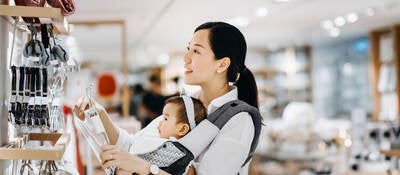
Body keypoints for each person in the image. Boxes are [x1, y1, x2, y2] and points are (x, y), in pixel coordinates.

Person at [74, 21, 261, 175]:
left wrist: (144, 168)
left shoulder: (239, 121)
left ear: (222, 64)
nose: (185, 58)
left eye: (196, 51)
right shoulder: (186, 104)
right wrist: (98, 113)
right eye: (188, 48)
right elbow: (135, 145)